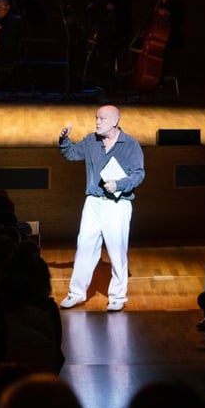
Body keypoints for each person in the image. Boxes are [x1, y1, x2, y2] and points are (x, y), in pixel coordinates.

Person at [58, 105, 145, 311]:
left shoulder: (130, 145)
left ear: (115, 121)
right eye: (96, 118)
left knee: (116, 250)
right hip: (94, 202)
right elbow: (71, 153)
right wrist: (64, 140)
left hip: (117, 204)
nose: (97, 122)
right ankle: (76, 293)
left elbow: (139, 174)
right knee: (85, 246)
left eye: (102, 118)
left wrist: (119, 184)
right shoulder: (91, 141)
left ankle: (117, 296)